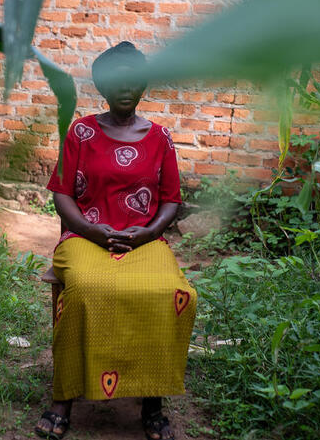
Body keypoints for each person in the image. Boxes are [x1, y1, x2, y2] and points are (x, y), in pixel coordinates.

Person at [34, 41, 197, 440]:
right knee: (88, 288)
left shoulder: (160, 138)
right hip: (85, 237)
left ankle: (153, 403)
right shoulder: (82, 131)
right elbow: (62, 193)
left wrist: (149, 232)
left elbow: (171, 200)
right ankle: (63, 399)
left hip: (142, 241)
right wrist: (92, 230)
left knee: (171, 292)